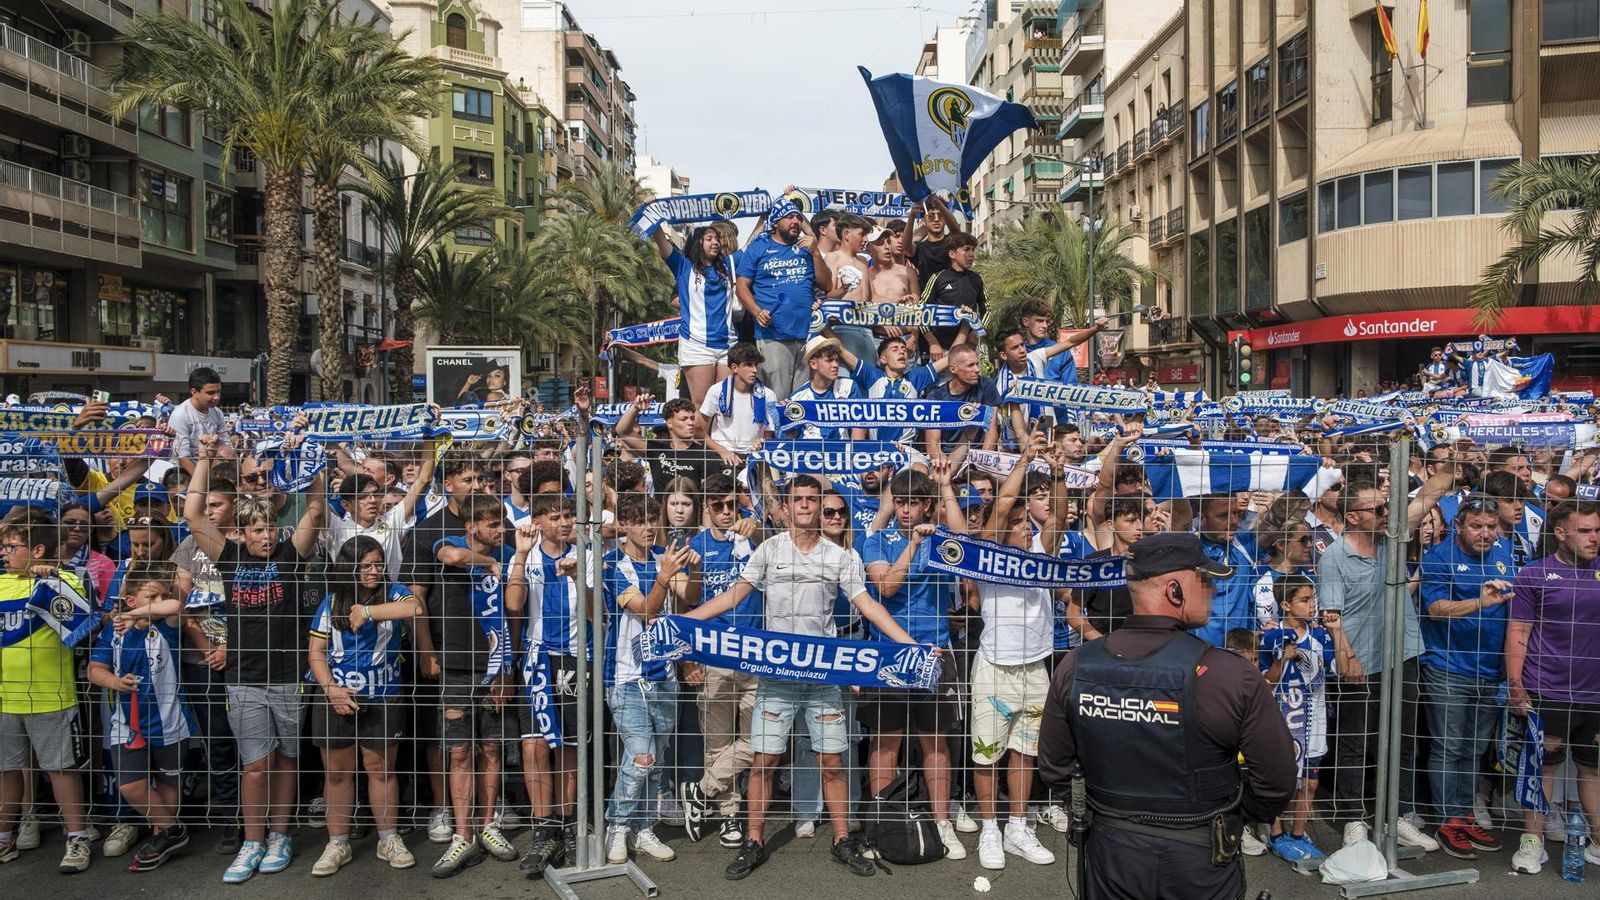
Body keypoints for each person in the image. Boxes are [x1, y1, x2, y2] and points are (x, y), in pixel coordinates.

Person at [685, 475, 929, 880]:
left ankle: (841, 839)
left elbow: (868, 605)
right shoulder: (768, 550)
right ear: (784, 507)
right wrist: (683, 621)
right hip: (776, 676)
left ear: (819, 506)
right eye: (796, 500)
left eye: (812, 500)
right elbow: (733, 596)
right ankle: (754, 840)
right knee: (764, 761)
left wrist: (910, 645)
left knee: (832, 760)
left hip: (823, 677)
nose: (804, 507)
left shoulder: (839, 557)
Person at [1038, 532, 1298, 900]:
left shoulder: (1077, 665)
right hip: (1196, 856)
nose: (1212, 590)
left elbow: (1054, 768)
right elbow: (1277, 779)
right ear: (1175, 590)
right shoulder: (1229, 674)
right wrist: (1231, 814)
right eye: (1204, 581)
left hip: (1112, 850)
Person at [185, 435, 326, 884]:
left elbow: (316, 510)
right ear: (241, 534)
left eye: (271, 529)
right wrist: (205, 458)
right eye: (257, 530)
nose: (267, 537)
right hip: (243, 678)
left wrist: (314, 457)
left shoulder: (289, 556)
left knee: (286, 759)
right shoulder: (226, 558)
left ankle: (279, 835)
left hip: (288, 676)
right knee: (254, 765)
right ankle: (252, 840)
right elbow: (192, 514)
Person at [305, 537, 423, 875]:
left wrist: (368, 611)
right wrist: (331, 690)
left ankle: (388, 838)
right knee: (338, 773)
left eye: (378, 564)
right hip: (337, 696)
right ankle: (337, 842)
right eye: (366, 566)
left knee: (381, 770)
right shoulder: (330, 603)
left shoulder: (393, 590)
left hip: (383, 695)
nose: (374, 571)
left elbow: (414, 608)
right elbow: (316, 653)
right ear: (350, 568)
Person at [428, 493, 525, 877]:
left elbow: (515, 612)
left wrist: (509, 666)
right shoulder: (448, 544)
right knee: (459, 752)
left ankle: (487, 825)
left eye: (502, 523)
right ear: (470, 527)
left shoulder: (510, 556)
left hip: (496, 666)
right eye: (492, 525)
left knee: (491, 746)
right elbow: (452, 558)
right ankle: (462, 834)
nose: (500, 530)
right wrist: (489, 563)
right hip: (456, 666)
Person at [1505, 499, 1600, 876]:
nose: (1595, 538)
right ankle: (1533, 842)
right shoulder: (1533, 574)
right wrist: (1516, 686)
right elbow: (1518, 633)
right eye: (1585, 531)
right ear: (1560, 533)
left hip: (1595, 693)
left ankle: (1597, 841)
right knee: (1542, 770)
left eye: (1598, 530)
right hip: (1547, 690)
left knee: (1593, 771)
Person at [1418, 496, 1513, 859]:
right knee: (1449, 747)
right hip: (1448, 668)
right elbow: (1436, 609)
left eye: (1491, 526)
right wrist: (1480, 602)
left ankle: (1463, 814)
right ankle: (1447, 821)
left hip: (1490, 671)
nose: (1485, 533)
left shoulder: (1505, 555)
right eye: (1477, 526)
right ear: (1459, 525)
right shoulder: (1439, 558)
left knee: (1474, 749)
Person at [601, 496, 694, 865]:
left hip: (665, 675)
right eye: (638, 520)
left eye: (651, 519)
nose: (648, 527)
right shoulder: (613, 565)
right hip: (625, 676)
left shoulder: (663, 557)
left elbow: (689, 598)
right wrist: (665, 577)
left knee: (656, 761)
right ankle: (617, 825)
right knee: (641, 755)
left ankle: (643, 828)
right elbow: (645, 609)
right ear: (622, 524)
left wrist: (695, 571)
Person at [87, 559, 192, 872]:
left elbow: (176, 603)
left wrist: (134, 614)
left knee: (168, 785)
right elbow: (95, 670)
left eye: (161, 596)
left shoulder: (166, 626)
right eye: (151, 596)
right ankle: (174, 831)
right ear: (131, 598)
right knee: (131, 785)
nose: (158, 602)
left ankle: (162, 840)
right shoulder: (114, 633)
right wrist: (117, 683)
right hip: (127, 723)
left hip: (171, 721)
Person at [680, 474, 761, 846]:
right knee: (717, 742)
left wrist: (755, 530)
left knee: (758, 739)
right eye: (718, 506)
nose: (727, 512)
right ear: (707, 509)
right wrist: (687, 660)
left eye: (732, 504)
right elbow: (683, 603)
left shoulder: (757, 538)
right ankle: (730, 816)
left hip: (757, 653)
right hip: (712, 655)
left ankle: (700, 790)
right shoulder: (693, 545)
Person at [1258, 575, 1342, 864]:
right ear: (1285, 604)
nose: (1312, 604)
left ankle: (1298, 834)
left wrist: (1337, 632)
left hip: (1315, 720)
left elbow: (1341, 668)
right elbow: (1264, 682)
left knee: (1309, 783)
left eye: (1313, 598)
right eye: (1304, 600)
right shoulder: (1271, 637)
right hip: (1283, 720)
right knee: (1283, 781)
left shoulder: (1319, 636)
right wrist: (1283, 660)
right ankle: (1276, 833)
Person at [735, 195, 833, 398]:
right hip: (774, 335)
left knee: (802, 399)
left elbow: (826, 284)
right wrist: (756, 311)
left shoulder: (806, 249)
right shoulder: (758, 248)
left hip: (807, 334)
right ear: (776, 221)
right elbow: (741, 286)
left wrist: (815, 253)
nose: (795, 221)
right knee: (777, 399)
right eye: (789, 217)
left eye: (798, 217)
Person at [651, 224, 735, 409]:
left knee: (726, 403)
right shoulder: (683, 266)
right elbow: (660, 240)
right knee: (703, 405)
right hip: (697, 345)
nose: (715, 242)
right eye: (709, 238)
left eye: (717, 238)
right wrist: (654, 216)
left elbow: (750, 245)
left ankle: (721, 439)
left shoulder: (729, 265)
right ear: (698, 243)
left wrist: (763, 218)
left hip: (727, 344)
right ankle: (704, 440)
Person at [617, 395, 729, 489]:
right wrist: (635, 408)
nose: (691, 423)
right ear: (669, 423)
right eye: (684, 419)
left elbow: (710, 497)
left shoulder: (706, 456)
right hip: (661, 514)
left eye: (692, 418)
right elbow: (623, 432)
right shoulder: (656, 450)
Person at [696, 343, 777, 468]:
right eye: (749, 365)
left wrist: (762, 443)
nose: (754, 370)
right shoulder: (716, 391)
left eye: (756, 365)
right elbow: (698, 430)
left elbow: (769, 435)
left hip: (755, 456)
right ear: (735, 368)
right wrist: (721, 450)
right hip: (722, 455)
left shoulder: (768, 394)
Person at [922, 344, 1000, 469]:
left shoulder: (986, 385)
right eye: (970, 365)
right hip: (948, 456)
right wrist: (944, 465)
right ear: (953, 369)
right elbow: (933, 444)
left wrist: (982, 466)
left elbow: (991, 431)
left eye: (976, 364)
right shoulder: (936, 397)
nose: (977, 369)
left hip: (978, 455)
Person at [919, 232, 984, 358]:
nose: (971, 254)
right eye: (966, 250)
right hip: (940, 350)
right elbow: (920, 311)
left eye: (973, 250)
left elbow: (988, 309)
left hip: (967, 348)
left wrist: (977, 332)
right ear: (952, 254)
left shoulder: (977, 279)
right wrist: (932, 342)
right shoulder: (938, 278)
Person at [787, 336, 863, 442]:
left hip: (842, 452)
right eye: (829, 360)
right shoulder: (797, 397)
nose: (835, 365)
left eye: (837, 360)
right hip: (810, 453)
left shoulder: (849, 386)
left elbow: (859, 425)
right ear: (813, 364)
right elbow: (791, 436)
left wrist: (855, 456)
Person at [168, 367, 228, 474]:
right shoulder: (180, 415)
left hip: (211, 472)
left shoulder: (217, 413)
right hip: (183, 475)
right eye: (210, 393)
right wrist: (203, 482)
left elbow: (226, 445)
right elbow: (182, 458)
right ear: (194, 392)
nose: (216, 397)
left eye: (218, 392)